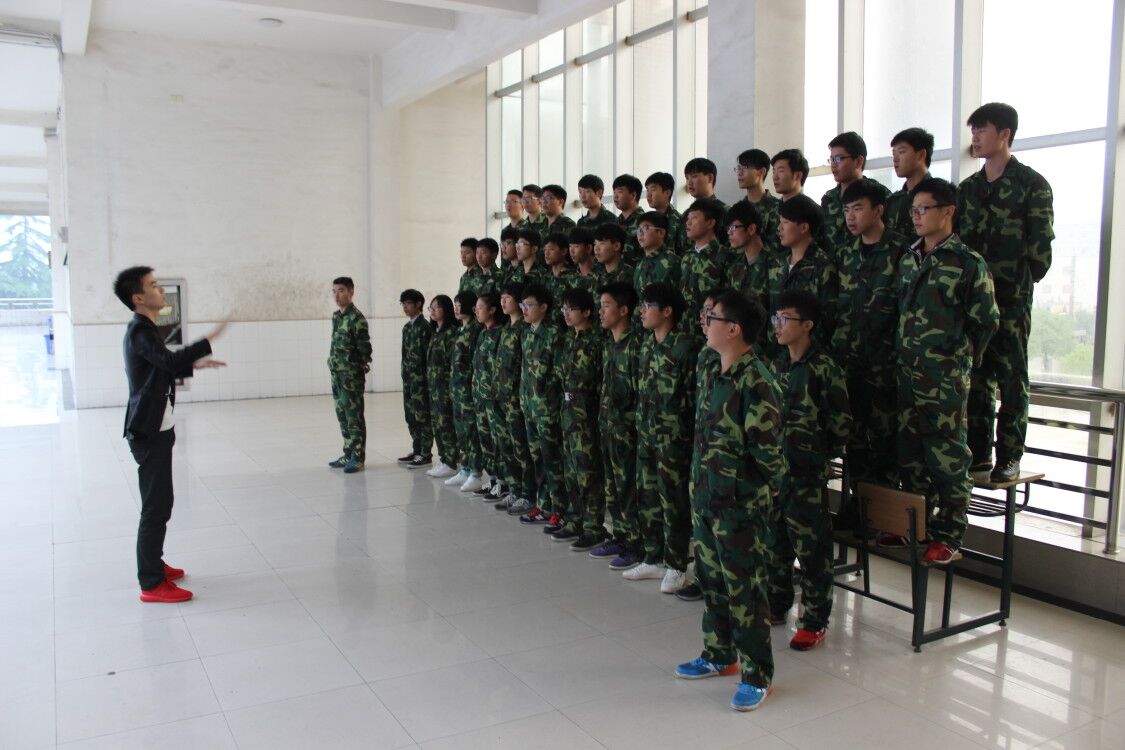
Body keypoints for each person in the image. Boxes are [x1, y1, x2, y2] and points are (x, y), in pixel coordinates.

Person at [675, 290, 783, 712]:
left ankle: (757, 675)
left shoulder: (756, 380)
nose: (705, 322)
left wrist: (756, 498)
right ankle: (719, 655)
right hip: (706, 497)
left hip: (739, 507)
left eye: (712, 317)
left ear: (734, 329)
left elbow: (769, 454)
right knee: (713, 582)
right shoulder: (713, 369)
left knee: (745, 591)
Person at [894, 177, 998, 565]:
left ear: (948, 211)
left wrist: (957, 359)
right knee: (911, 453)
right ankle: (916, 526)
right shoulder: (909, 258)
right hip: (907, 373)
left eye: (924, 209)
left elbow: (986, 322)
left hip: (944, 378)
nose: (916, 217)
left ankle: (949, 534)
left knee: (947, 456)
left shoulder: (968, 263)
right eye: (913, 210)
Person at [114, 266, 228, 603]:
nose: (160, 289)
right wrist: (208, 341)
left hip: (157, 427)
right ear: (138, 297)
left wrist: (192, 364)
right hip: (147, 432)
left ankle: (155, 563)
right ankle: (151, 583)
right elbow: (168, 361)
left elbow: (161, 366)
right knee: (156, 507)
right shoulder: (140, 331)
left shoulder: (146, 329)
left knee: (162, 502)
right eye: (153, 285)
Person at [958, 103, 1054, 484]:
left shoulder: (1032, 185)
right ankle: (979, 451)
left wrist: (1017, 284)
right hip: (973, 303)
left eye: (982, 130)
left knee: (1012, 377)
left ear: (1004, 134)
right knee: (977, 375)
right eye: (973, 130)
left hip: (1011, 301)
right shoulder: (968, 190)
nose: (975, 137)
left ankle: (1010, 454)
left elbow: (1041, 252)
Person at [767, 290, 851, 651]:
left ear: (808, 325)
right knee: (775, 545)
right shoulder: (777, 364)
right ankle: (776, 605)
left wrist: (816, 455)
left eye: (785, 319)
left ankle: (814, 621)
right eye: (775, 318)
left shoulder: (824, 367)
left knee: (812, 550)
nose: (778, 325)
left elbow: (840, 423)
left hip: (806, 474)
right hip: (777, 473)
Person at [831, 178, 905, 491]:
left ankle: (883, 510)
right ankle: (857, 504)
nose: (851, 217)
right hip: (851, 363)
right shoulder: (845, 253)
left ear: (878, 210)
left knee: (886, 440)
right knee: (854, 439)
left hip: (886, 364)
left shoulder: (902, 252)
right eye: (847, 210)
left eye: (858, 209)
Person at [626, 282, 698, 594]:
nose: (642, 312)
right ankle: (653, 556)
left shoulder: (686, 347)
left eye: (648, 306)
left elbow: (694, 399)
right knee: (647, 497)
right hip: (647, 436)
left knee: (674, 503)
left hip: (674, 441)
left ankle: (677, 565)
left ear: (667, 311)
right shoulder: (647, 345)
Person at [592, 282, 643, 569]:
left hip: (627, 431)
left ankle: (637, 544)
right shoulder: (609, 344)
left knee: (629, 488)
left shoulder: (635, 346)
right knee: (612, 486)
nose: (600, 311)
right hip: (609, 427)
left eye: (606, 305)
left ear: (624, 310)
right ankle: (621, 536)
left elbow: (639, 393)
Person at [551, 288, 604, 547]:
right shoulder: (568, 340)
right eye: (564, 309)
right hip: (568, 412)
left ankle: (594, 527)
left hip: (587, 415)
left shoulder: (597, 341)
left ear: (587, 312)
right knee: (571, 471)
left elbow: (600, 381)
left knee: (588, 472)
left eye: (571, 309)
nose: (566, 314)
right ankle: (575, 519)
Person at [517, 283, 566, 526]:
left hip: (548, 410)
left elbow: (559, 375)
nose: (524, 310)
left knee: (553, 460)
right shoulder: (526, 333)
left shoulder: (554, 334)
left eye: (529, 305)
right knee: (538, 460)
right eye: (522, 305)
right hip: (530, 408)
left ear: (544, 307)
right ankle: (544, 504)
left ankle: (559, 508)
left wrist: (553, 404)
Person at [766, 194, 838, 357]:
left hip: (808, 355)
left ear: (804, 227)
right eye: (780, 222)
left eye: (785, 222)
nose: (779, 228)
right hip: (777, 354)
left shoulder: (822, 265)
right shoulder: (778, 262)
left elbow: (828, 318)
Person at [493, 283, 534, 513]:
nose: (503, 302)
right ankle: (515, 489)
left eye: (507, 298)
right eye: (502, 298)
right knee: (508, 447)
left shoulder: (523, 329)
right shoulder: (506, 329)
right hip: (503, 399)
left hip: (518, 400)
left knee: (522, 450)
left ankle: (528, 494)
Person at [328, 276, 373, 474]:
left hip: (351, 377)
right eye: (334, 291)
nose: (337, 295)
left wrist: (358, 366)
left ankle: (358, 457)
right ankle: (348, 453)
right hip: (337, 375)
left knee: (354, 417)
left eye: (341, 291)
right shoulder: (336, 317)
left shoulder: (357, 318)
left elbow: (365, 349)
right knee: (342, 416)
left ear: (351, 292)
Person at [821, 132, 889, 263]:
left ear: (858, 161)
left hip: (869, 267)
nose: (833, 165)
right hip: (834, 270)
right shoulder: (828, 198)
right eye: (831, 159)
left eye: (839, 159)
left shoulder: (880, 195)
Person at [468, 292, 505, 495]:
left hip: (493, 398)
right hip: (480, 397)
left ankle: (503, 481)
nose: (476, 311)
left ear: (492, 310)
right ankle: (492, 478)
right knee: (485, 439)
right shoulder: (483, 333)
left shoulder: (500, 333)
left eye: (480, 307)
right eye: (475, 308)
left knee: (498, 440)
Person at [447, 291, 484, 490]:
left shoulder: (476, 330)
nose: (456, 308)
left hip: (469, 391)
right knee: (461, 432)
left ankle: (476, 473)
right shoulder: (461, 330)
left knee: (472, 433)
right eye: (455, 304)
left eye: (459, 304)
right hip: (458, 391)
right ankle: (465, 469)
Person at [679, 198, 728, 336]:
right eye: (687, 219)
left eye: (694, 218)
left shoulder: (724, 256)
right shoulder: (687, 257)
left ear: (710, 223)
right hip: (685, 330)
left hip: (712, 331)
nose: (688, 223)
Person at [425, 294, 460, 479]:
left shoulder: (451, 333)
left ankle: (452, 461)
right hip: (434, 388)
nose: (432, 311)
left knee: (446, 424)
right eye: (430, 308)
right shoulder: (435, 332)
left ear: (446, 310)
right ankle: (444, 458)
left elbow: (451, 364)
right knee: (437, 424)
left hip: (445, 388)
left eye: (436, 307)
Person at [399, 288, 433, 469]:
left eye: (408, 303)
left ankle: (425, 454)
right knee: (411, 416)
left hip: (421, 382)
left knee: (423, 417)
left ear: (418, 304)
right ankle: (417, 449)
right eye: (403, 304)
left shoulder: (425, 327)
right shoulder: (407, 328)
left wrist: (426, 381)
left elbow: (428, 357)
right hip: (409, 381)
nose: (405, 307)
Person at [723, 201, 771, 327]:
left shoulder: (775, 265)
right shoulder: (734, 267)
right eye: (728, 229)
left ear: (751, 229)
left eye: (733, 228)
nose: (729, 233)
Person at [886, 127, 934, 240]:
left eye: (901, 152)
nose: (895, 159)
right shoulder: (893, 201)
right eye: (893, 153)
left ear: (921, 155)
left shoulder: (939, 196)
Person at [733, 148, 781, 255]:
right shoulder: (737, 210)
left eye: (745, 168)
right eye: (738, 168)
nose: (739, 173)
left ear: (762, 171)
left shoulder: (778, 208)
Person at [633, 211, 681, 300]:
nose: (640, 233)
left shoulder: (673, 262)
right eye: (638, 229)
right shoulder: (640, 263)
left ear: (661, 233)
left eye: (645, 228)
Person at [644, 171, 688, 255]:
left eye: (653, 189)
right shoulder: (648, 221)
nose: (648, 195)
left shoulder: (679, 221)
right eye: (647, 190)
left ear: (667, 193)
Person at [542, 231, 575, 328]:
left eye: (551, 249)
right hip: (548, 328)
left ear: (564, 251)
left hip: (567, 329)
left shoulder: (573, 276)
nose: (546, 253)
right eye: (545, 250)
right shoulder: (545, 277)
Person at [612, 173, 644, 264]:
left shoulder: (644, 222)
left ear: (633, 195)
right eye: (614, 192)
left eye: (620, 192)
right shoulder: (615, 223)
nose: (615, 196)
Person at [592, 223, 634, 288]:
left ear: (616, 246)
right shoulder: (597, 273)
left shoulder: (628, 275)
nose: (596, 248)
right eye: (595, 244)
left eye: (602, 243)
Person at [568, 227, 600, 294]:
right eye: (570, 246)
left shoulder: (602, 274)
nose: (571, 251)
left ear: (588, 248)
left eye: (576, 246)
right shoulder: (571, 275)